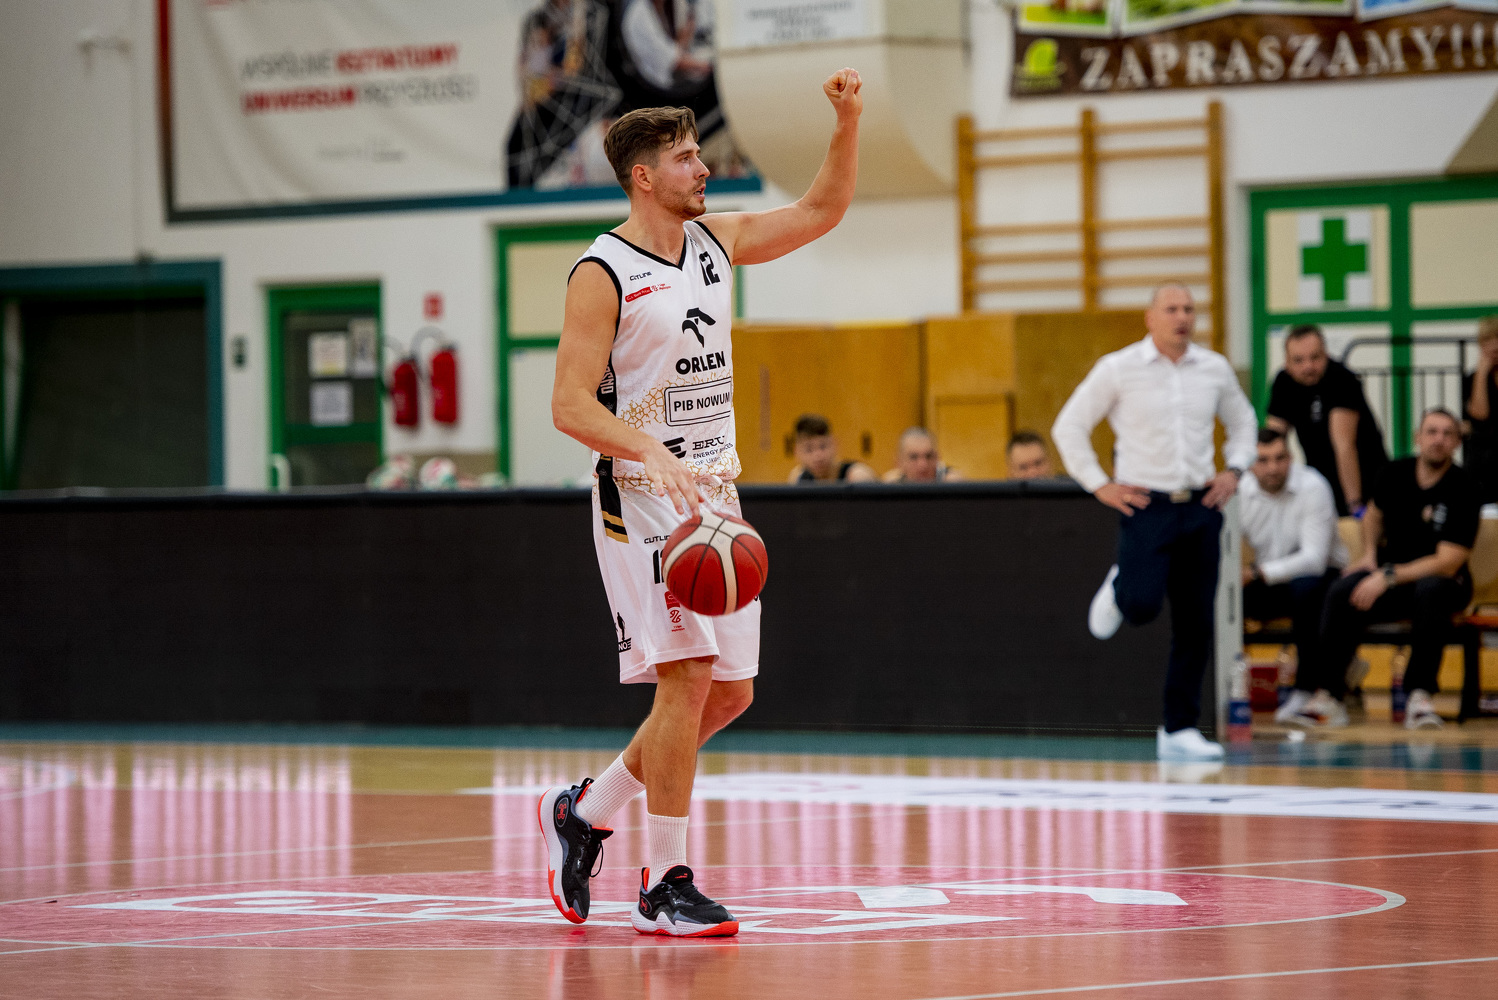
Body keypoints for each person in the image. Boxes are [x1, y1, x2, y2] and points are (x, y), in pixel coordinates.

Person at [544, 70, 863, 936]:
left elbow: (821, 210)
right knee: (685, 679)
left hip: (716, 492)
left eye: (699, 153)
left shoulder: (715, 242)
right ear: (644, 176)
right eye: (686, 157)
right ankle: (665, 884)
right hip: (642, 494)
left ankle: (584, 812)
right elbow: (569, 405)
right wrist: (647, 448)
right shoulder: (601, 271)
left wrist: (847, 121)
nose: (704, 168)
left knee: (730, 695)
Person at [1051, 283, 1257, 761]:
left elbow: (1244, 423)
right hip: (1147, 504)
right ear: (1150, 317)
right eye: (1171, 309)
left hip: (1201, 505)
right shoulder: (1119, 368)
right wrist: (1099, 484)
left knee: (1195, 621)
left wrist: (1234, 469)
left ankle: (1179, 727)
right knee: (1141, 605)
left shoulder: (1214, 368)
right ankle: (1122, 583)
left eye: (1188, 309)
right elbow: (1070, 426)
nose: (1181, 317)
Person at [1299, 409, 1479, 730]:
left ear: (1456, 442)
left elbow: (1448, 561)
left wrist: (1387, 577)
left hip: (1445, 581)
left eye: (1447, 434)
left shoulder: (1464, 486)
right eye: (1432, 431)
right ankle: (1330, 694)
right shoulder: (1393, 473)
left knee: (1431, 590)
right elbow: (1372, 515)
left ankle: (1419, 696)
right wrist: (1369, 555)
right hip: (1391, 575)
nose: (1438, 439)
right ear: (1417, 437)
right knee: (1342, 590)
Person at [1238, 428, 1348, 724]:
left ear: (1291, 457)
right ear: (1250, 464)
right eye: (1263, 460)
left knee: (1306, 589)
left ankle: (1305, 689)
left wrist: (1255, 572)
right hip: (1269, 579)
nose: (1273, 468)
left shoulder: (1313, 486)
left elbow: (1314, 560)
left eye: (1280, 458)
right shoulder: (1239, 491)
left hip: (1323, 578)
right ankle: (1222, 690)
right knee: (1218, 596)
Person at [1266, 324, 1388, 517]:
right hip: (1320, 481)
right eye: (1299, 360)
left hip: (1365, 477)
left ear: (1326, 354)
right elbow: (1272, 439)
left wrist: (1355, 505)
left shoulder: (1342, 379)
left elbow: (1344, 447)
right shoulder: (1283, 382)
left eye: (1315, 358)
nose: (1308, 366)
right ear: (1287, 362)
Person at [1461, 316, 1498, 505]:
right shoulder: (1472, 379)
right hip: (1484, 456)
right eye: (1487, 340)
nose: (1494, 345)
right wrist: (1482, 373)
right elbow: (1479, 416)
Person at [787, 414, 877, 483]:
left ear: (834, 444)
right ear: (797, 452)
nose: (818, 456)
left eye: (823, 446)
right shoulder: (799, 478)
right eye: (809, 450)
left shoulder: (857, 476)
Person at [882, 427, 962, 483]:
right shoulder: (891, 485)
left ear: (937, 458)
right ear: (899, 462)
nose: (923, 465)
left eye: (928, 456)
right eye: (914, 457)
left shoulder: (952, 484)